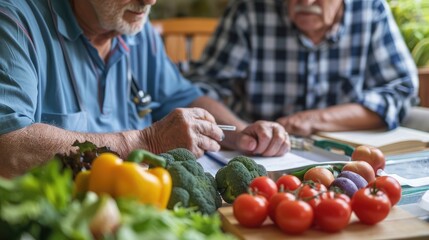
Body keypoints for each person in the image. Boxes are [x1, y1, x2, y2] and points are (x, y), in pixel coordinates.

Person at [0, 0, 290, 178]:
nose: (149, 0)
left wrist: (238, 132)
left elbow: (181, 96)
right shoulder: (13, 21)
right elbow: (8, 147)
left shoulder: (132, 23)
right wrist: (145, 141)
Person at [185, 0, 419, 137]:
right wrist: (244, 133)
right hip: (256, 153)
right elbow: (201, 88)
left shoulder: (370, 9)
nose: (306, 3)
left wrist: (316, 119)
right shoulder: (249, 9)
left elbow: (401, 90)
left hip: (343, 154)